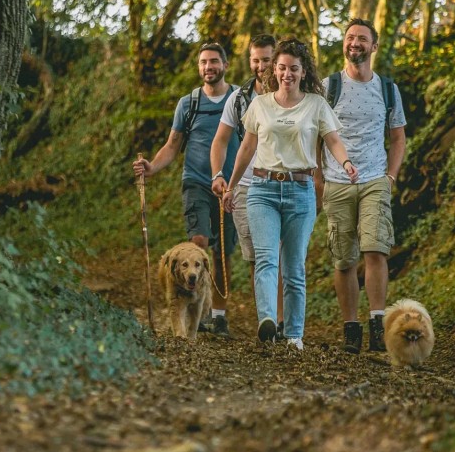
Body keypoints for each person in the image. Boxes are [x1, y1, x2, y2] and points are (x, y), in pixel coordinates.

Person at [223, 38, 358, 351]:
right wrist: (230, 185)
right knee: (267, 260)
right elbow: (246, 148)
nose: (287, 74)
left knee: (294, 266)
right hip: (262, 189)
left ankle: (294, 334)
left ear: (303, 71)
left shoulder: (316, 104)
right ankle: (268, 322)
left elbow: (333, 140)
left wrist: (346, 162)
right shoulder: (260, 105)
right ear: (275, 70)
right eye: (281, 68)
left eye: (293, 69)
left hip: (300, 191)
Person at [133, 42, 239, 338]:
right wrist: (152, 167)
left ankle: (217, 315)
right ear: (199, 67)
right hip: (195, 181)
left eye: (214, 61)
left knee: (223, 254)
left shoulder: (238, 100)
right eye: (204, 62)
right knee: (199, 241)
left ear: (225, 65)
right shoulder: (189, 103)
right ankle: (194, 305)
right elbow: (173, 144)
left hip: (231, 185)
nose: (209, 67)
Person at [317, 18, 407, 354]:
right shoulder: (328, 87)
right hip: (337, 183)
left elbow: (398, 138)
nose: (355, 43)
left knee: (375, 250)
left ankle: (377, 323)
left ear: (373, 47)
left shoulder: (386, 89)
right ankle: (350, 327)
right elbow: (316, 134)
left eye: (362, 39)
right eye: (350, 37)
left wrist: (391, 176)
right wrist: (318, 176)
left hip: (374, 179)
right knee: (344, 260)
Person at [209, 34, 286, 336]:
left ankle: (282, 322)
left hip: (282, 184)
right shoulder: (239, 99)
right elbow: (220, 140)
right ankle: (266, 319)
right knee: (256, 258)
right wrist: (219, 174)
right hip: (246, 186)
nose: (260, 66)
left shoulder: (291, 93)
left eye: (266, 59)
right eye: (255, 59)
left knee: (278, 254)